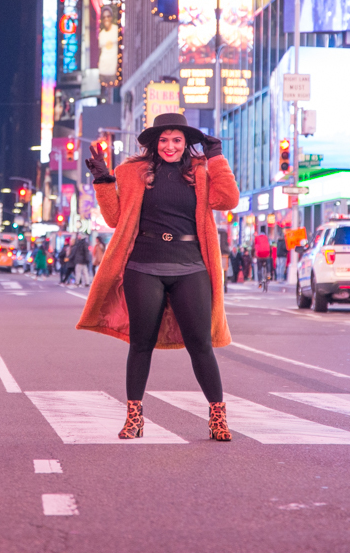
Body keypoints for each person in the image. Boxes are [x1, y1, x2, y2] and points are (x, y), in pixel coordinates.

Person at [78, 113, 239, 441]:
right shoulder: (131, 172)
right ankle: (134, 419)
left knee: (201, 344)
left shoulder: (201, 172)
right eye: (163, 140)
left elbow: (228, 200)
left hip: (191, 266)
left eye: (177, 140)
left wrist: (216, 157)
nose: (170, 146)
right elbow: (114, 219)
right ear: (154, 143)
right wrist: (104, 181)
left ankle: (218, 418)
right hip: (143, 266)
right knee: (141, 344)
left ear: (186, 143)